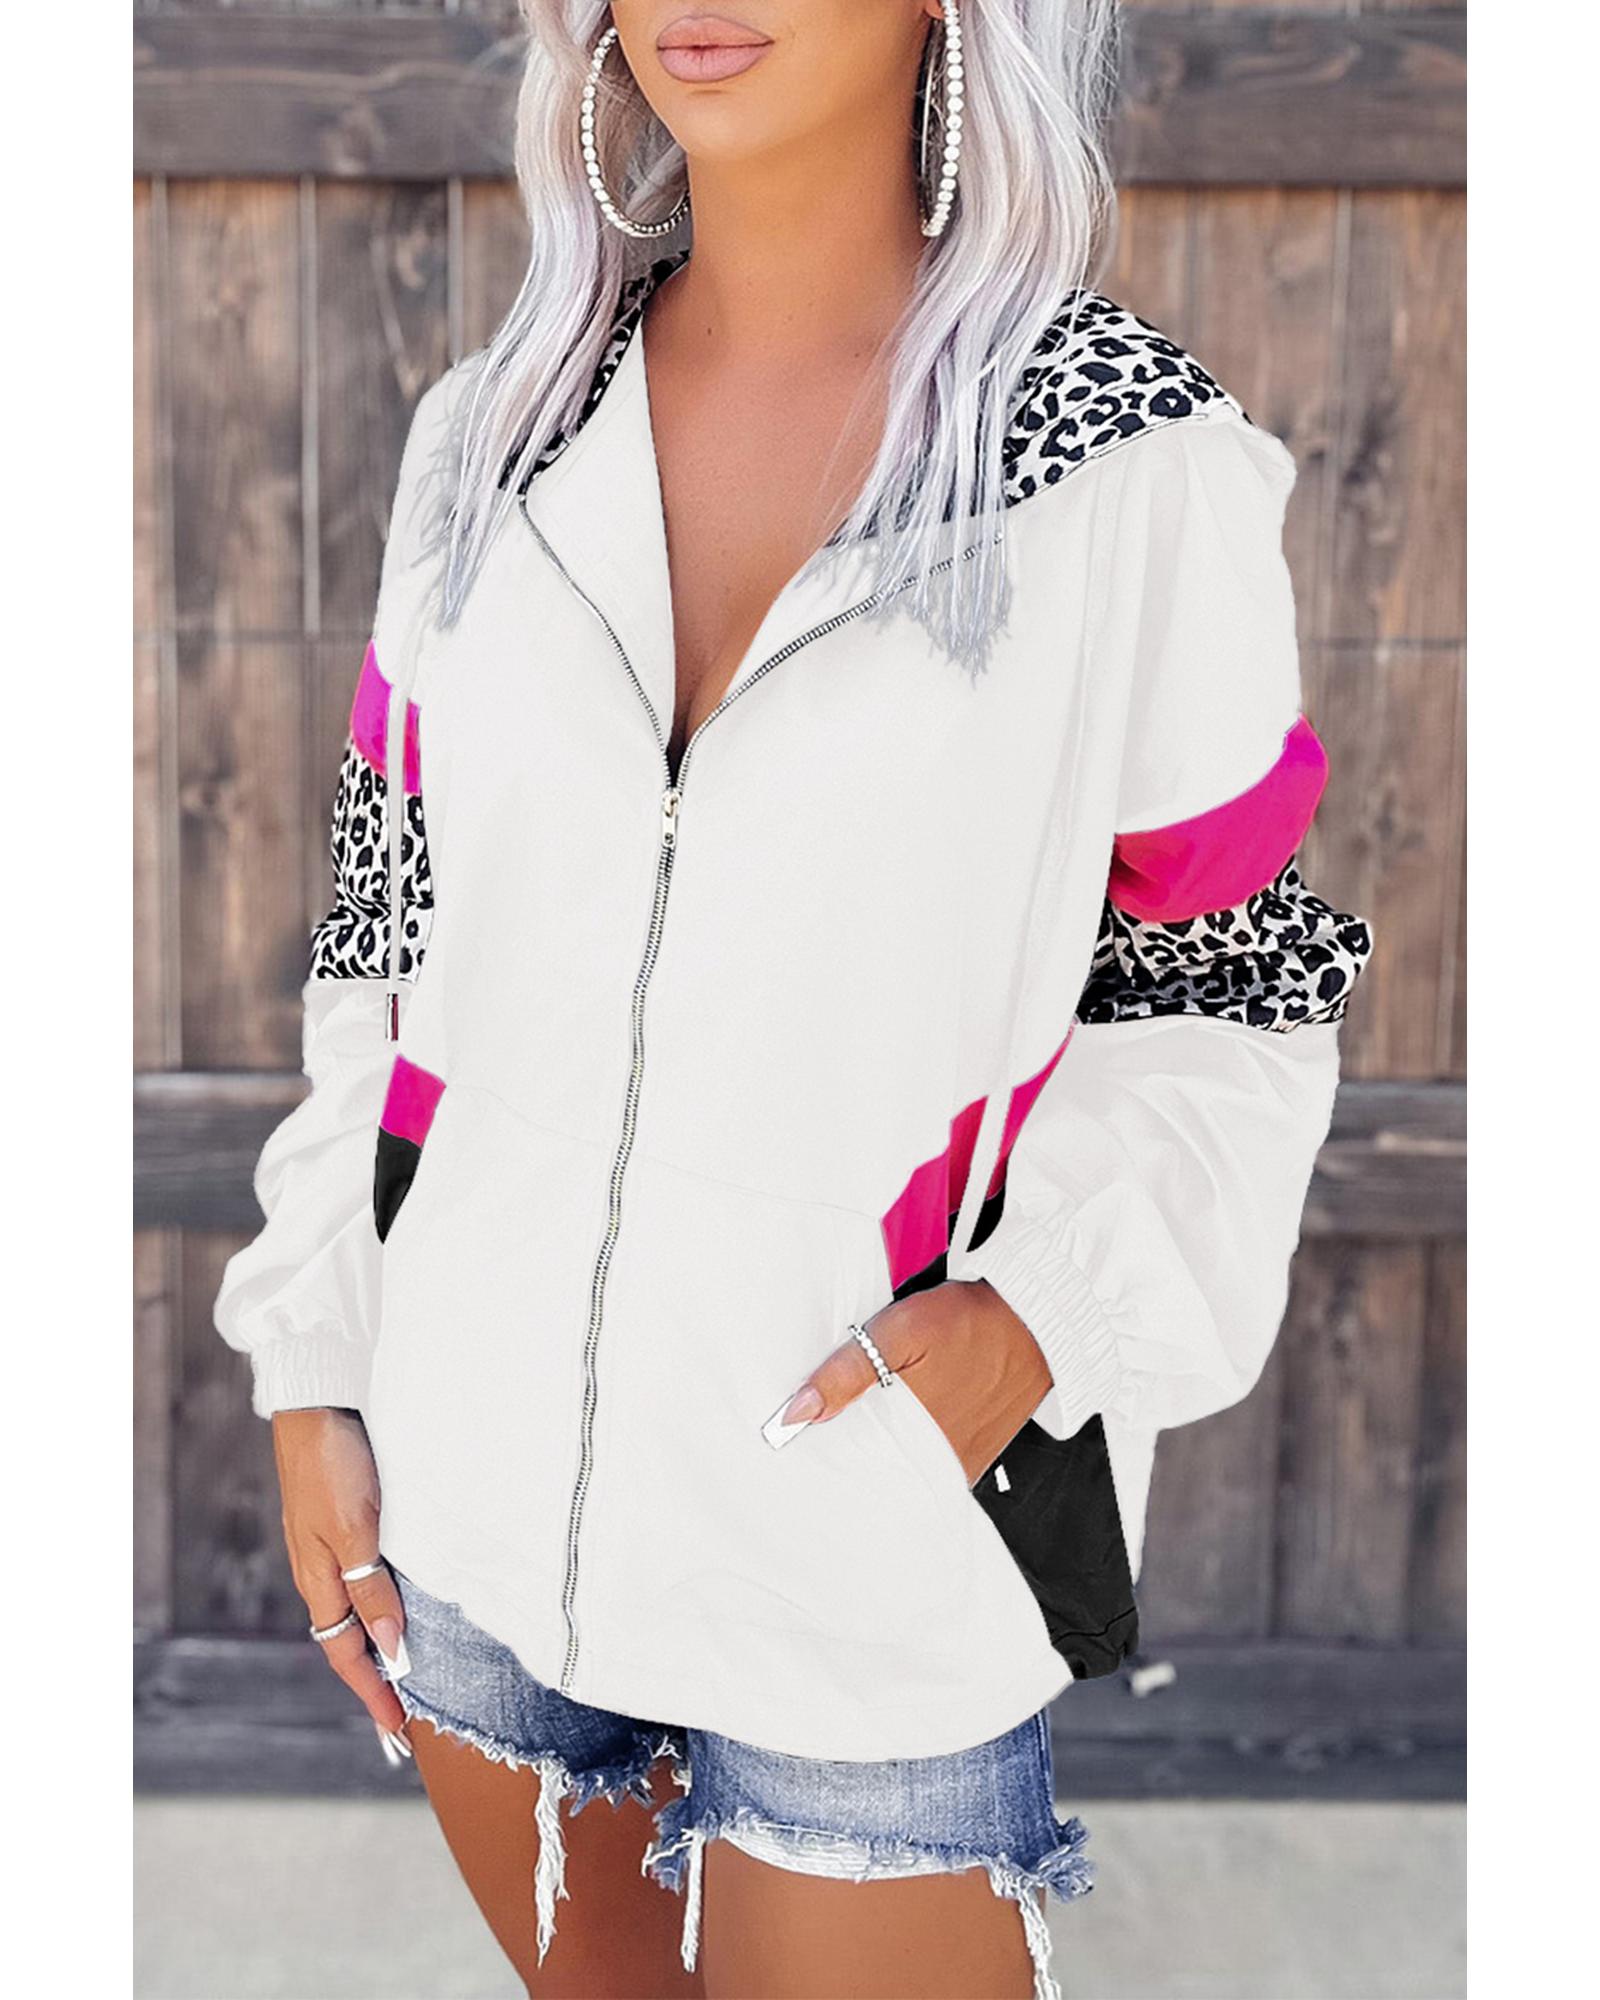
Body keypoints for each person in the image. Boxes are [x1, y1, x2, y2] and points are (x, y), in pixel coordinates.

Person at [214, 4, 1373, 1995]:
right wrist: (316, 1351)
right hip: (466, 1503)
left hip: (860, 1546)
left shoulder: (1124, 467)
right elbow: (381, 935)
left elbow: (1229, 988)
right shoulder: (491, 437)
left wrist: (1042, 1321)